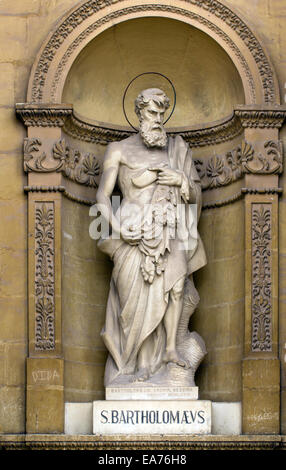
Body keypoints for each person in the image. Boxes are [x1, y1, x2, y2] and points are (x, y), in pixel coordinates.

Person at [96, 88, 206, 386]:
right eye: (151, 113)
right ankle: (141, 364)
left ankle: (170, 349)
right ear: (139, 114)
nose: (157, 119)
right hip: (132, 234)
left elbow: (196, 194)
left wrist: (181, 180)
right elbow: (103, 197)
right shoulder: (117, 149)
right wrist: (119, 230)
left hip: (170, 227)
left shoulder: (177, 150)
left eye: (161, 114)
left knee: (176, 286)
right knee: (139, 299)